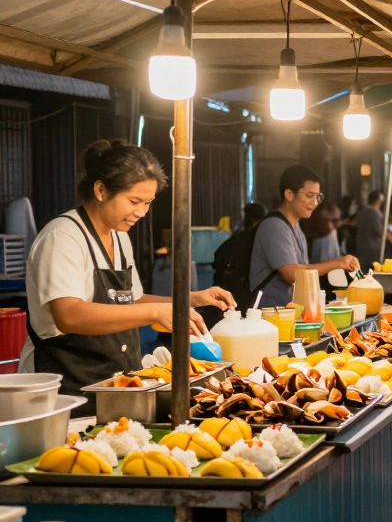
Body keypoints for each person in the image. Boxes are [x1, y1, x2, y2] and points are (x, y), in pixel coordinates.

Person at [20, 140, 236, 396]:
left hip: (115, 381)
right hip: (65, 385)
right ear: (101, 190)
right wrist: (156, 312)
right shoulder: (63, 237)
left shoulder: (119, 236)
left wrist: (187, 300)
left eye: (148, 203)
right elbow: (68, 315)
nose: (142, 212)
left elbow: (130, 300)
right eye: (134, 201)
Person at [249, 165, 358, 308]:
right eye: (309, 195)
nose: (315, 202)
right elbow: (293, 274)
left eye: (318, 197)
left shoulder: (296, 227)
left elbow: (302, 271)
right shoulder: (274, 226)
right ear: (289, 194)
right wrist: (337, 263)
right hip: (268, 315)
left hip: (288, 312)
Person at [355, 190, 392, 271]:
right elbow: (382, 232)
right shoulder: (376, 214)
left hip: (361, 248)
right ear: (378, 201)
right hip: (373, 250)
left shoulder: (361, 212)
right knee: (373, 272)